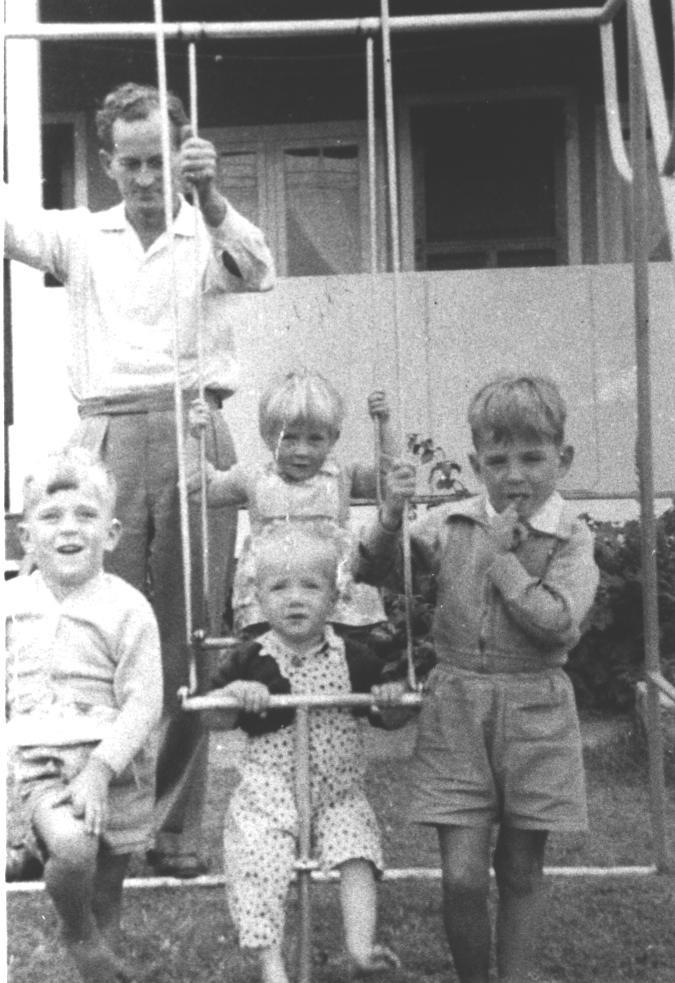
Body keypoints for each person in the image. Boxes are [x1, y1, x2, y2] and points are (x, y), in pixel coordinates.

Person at [4, 82, 275, 877]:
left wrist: (212, 192)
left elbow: (258, 269)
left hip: (196, 428)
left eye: (159, 160)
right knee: (82, 629)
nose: (146, 179)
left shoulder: (209, 230)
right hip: (108, 431)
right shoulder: (81, 236)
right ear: (105, 164)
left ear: (183, 154)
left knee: (192, 634)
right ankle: (55, 816)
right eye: (130, 164)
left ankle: (172, 830)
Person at [357, 374, 600, 983]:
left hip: (536, 714)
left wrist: (503, 563)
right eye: (497, 460)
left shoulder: (573, 537)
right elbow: (377, 570)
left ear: (562, 459)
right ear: (474, 462)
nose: (514, 475)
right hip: (456, 708)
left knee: (519, 870)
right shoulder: (451, 524)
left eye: (532, 457)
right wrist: (389, 517)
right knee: (462, 877)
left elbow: (559, 623)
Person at [208, 524, 405, 983]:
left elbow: (389, 714)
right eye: (279, 587)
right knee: (259, 861)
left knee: (356, 849)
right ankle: (272, 965)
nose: (295, 599)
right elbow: (209, 718)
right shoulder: (249, 657)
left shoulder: (352, 656)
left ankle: (359, 948)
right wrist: (236, 693)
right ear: (258, 596)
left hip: (337, 791)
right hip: (270, 791)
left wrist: (391, 696)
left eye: (311, 587)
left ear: (335, 598)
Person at [5, 447, 163, 983]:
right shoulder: (10, 604)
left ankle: (98, 960)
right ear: (26, 537)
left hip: (115, 765)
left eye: (85, 515)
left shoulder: (128, 607)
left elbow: (144, 699)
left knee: (106, 893)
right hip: (42, 758)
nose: (68, 529)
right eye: (50, 516)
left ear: (113, 533)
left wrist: (101, 768)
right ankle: (76, 933)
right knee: (73, 850)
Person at [187, 369, 395, 637]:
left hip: (335, 596)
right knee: (271, 664)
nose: (302, 451)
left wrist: (384, 424)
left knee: (343, 659)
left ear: (333, 438)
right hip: (273, 594)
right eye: (289, 438)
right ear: (268, 436)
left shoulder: (341, 475)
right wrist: (195, 437)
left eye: (315, 439)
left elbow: (388, 479)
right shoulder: (253, 476)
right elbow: (201, 489)